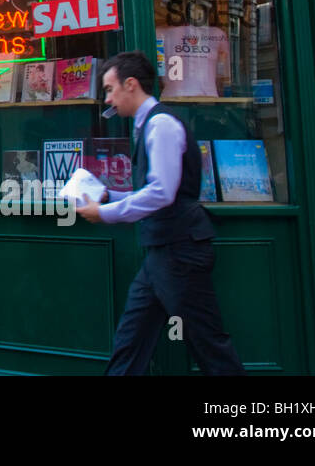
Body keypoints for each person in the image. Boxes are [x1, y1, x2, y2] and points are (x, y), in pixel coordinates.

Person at [78, 51, 244, 375]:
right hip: (163, 253)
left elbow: (162, 193)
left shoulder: (161, 125)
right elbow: (156, 190)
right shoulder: (148, 125)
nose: (108, 99)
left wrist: (107, 213)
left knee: (208, 344)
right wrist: (108, 196)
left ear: (131, 84)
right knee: (131, 338)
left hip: (179, 252)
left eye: (110, 89)